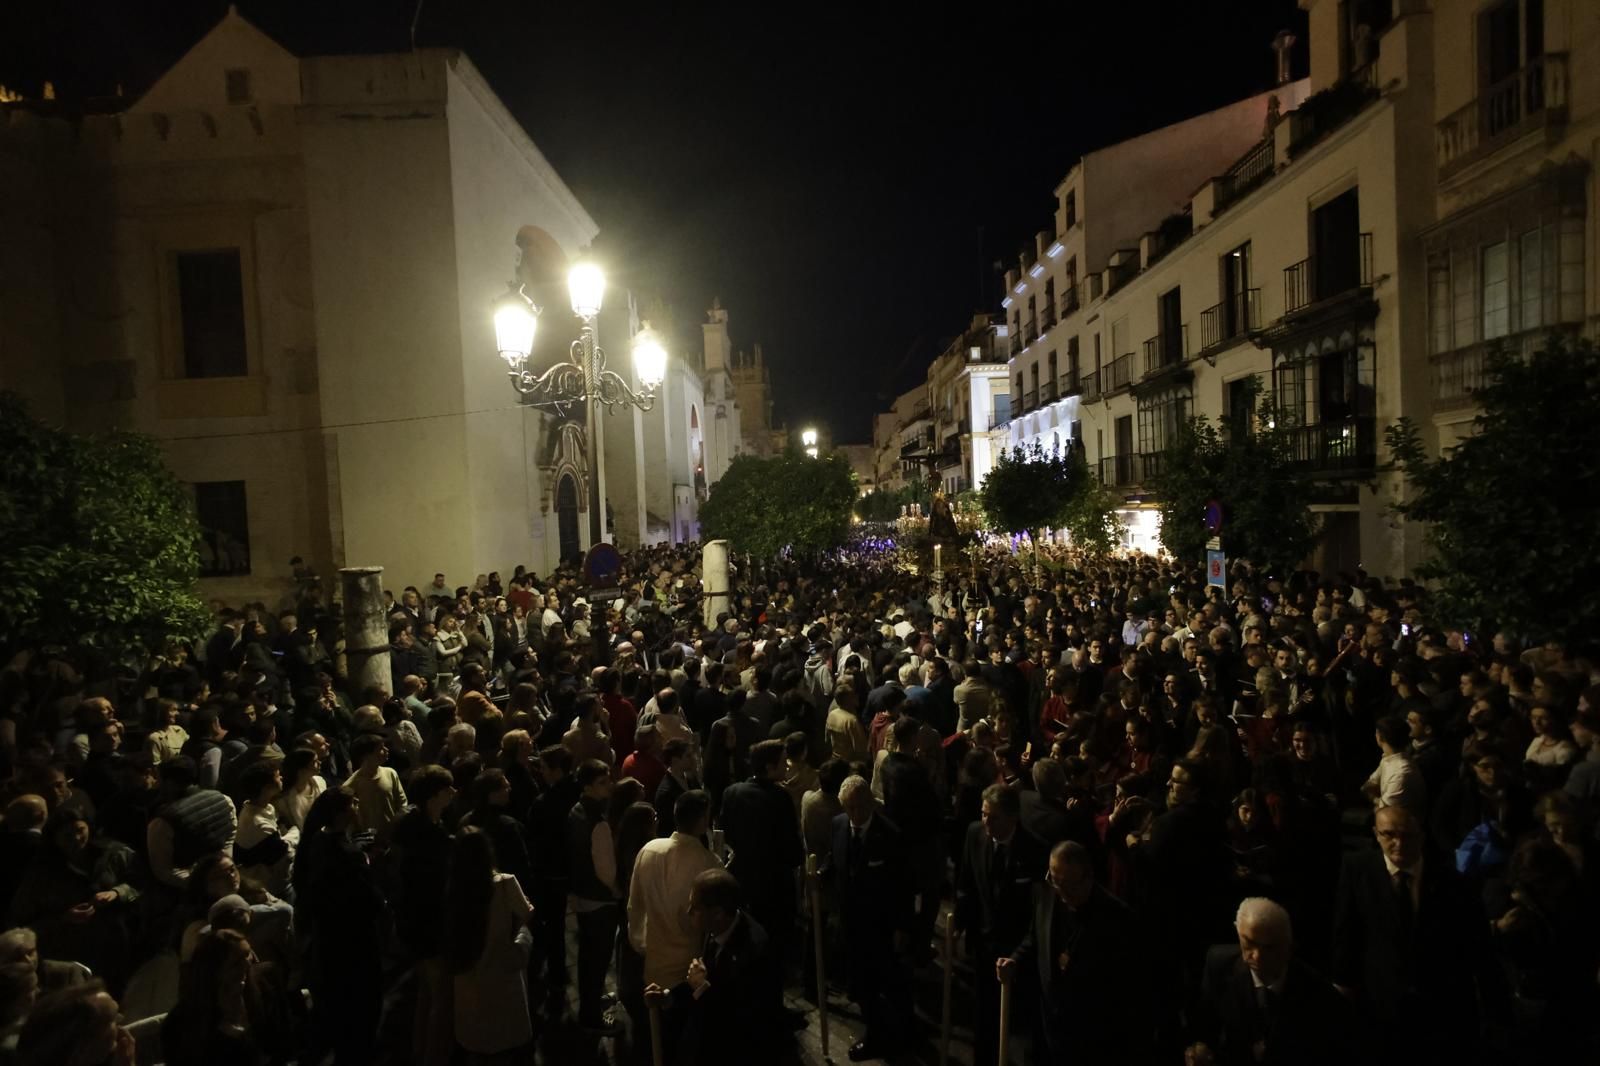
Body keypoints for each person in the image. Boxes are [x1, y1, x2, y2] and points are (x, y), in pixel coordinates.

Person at [1332, 804, 1502, 1064]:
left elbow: (1479, 948)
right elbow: (1346, 933)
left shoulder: (1453, 880)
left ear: (1421, 835)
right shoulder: (1358, 870)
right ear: (1376, 834)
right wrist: (1342, 992)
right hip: (1381, 1004)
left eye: (1407, 835)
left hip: (1441, 1006)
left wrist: (1495, 1012)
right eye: (1389, 835)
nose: (1399, 844)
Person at [999, 841, 1147, 1065]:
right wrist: (1015, 961)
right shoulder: (1046, 893)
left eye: (1069, 886)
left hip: (1092, 1041)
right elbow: (1035, 938)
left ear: (1088, 878)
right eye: (1054, 880)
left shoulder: (1118, 920)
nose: (1061, 892)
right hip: (1048, 1030)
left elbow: (1128, 995)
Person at [1189, 897, 1353, 1065]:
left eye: (1268, 948)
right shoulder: (1219, 966)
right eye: (1249, 943)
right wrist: (1199, 1049)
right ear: (1238, 932)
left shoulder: (1319, 994)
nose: (1257, 956)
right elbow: (1205, 1027)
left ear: (1288, 946)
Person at [955, 781, 1047, 1066]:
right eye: (983, 814)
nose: (986, 822)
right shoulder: (974, 834)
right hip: (983, 945)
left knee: (1019, 1024)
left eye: (993, 817)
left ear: (1012, 818)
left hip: (1018, 951)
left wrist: (1018, 955)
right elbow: (966, 884)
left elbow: (1038, 913)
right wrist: (959, 923)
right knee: (983, 1017)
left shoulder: (1035, 850)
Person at [292, 787, 384, 1064]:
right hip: (354, 941)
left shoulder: (317, 842)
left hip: (327, 938)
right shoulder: (349, 855)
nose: (357, 806)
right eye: (353, 803)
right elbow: (368, 900)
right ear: (341, 813)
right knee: (360, 1009)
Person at [716, 738, 804, 1024]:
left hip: (743, 884)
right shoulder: (780, 798)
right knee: (774, 951)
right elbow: (793, 850)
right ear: (769, 767)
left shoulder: (732, 793)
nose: (787, 766)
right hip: (775, 888)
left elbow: (724, 833)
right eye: (782, 762)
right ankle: (773, 1010)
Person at [645, 867, 771, 1066]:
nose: (688, 912)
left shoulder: (754, 953)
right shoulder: (714, 927)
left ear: (718, 913)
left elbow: (740, 1022)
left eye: (695, 908)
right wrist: (668, 997)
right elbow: (703, 980)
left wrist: (701, 988)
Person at [828, 774, 912, 1061]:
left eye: (859, 807)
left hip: (881, 925)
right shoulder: (838, 825)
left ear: (870, 804)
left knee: (886, 982)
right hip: (851, 923)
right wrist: (821, 876)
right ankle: (878, 1031)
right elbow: (836, 861)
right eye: (848, 808)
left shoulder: (890, 835)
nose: (854, 814)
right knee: (862, 984)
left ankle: (892, 1034)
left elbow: (904, 885)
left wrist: (902, 926)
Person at [443, 827, 535, 1060]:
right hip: (501, 974)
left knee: (477, 1043)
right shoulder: (505, 884)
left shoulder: (453, 890)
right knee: (506, 1041)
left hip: (469, 980)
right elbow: (526, 913)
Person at [567, 758, 622, 1033]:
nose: (609, 785)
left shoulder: (576, 810)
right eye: (602, 782)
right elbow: (606, 870)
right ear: (588, 786)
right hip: (598, 899)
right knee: (598, 958)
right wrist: (615, 890)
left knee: (587, 956)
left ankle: (589, 1002)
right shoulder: (597, 822)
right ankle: (592, 1017)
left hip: (581, 894)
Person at [343, 733, 407, 845]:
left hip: (394, 836)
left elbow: (402, 802)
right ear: (366, 755)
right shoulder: (351, 785)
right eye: (381, 749)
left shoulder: (390, 773)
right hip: (369, 841)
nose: (386, 750)